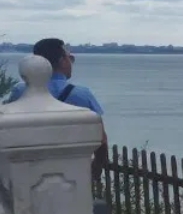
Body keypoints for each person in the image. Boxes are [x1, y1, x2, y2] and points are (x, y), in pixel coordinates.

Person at [8, 38, 108, 174]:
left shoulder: (19, 91)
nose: (71, 63)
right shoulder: (81, 94)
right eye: (70, 58)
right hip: (71, 168)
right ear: (62, 61)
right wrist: (96, 167)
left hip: (29, 166)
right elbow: (101, 139)